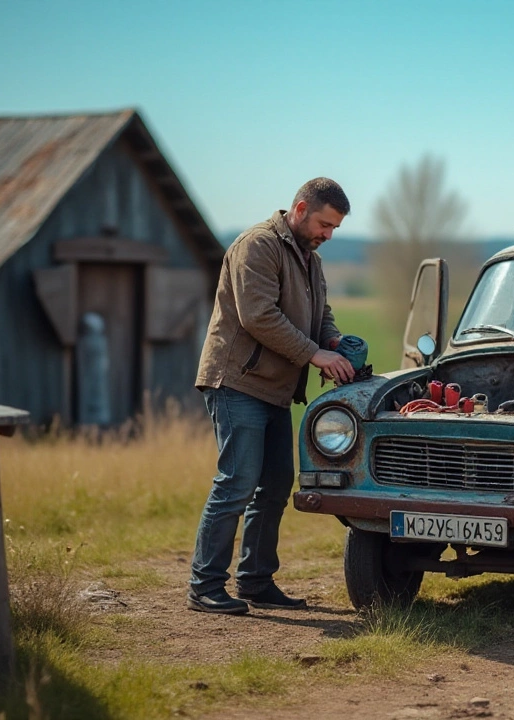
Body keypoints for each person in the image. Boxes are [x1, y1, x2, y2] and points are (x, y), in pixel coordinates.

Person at [189, 177, 355, 615]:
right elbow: (259, 316)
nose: (328, 235)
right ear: (300, 209)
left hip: (276, 389)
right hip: (238, 381)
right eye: (324, 223)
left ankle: (256, 582)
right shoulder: (257, 245)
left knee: (277, 483)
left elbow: (322, 313)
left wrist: (333, 341)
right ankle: (204, 585)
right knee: (237, 482)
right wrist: (315, 354)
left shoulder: (308, 258)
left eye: (334, 228)